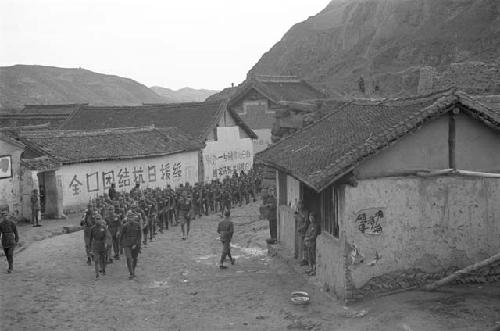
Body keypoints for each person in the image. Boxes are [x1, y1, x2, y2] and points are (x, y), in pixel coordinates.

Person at [121, 213, 142, 279]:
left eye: (132, 217)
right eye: (129, 217)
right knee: (129, 258)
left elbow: (139, 236)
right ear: (127, 218)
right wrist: (121, 245)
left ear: (134, 218)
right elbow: (122, 236)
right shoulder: (125, 226)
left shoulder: (137, 225)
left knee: (135, 258)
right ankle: (131, 273)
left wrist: (138, 245)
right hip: (127, 245)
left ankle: (133, 270)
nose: (130, 219)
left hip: (135, 244)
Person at [295, 201, 309, 266]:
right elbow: (297, 220)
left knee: (304, 246)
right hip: (299, 231)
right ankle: (301, 259)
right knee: (300, 245)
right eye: (298, 204)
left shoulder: (305, 212)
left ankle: (305, 259)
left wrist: (301, 228)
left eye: (300, 204)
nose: (299, 206)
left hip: (305, 231)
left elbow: (306, 223)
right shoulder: (298, 212)